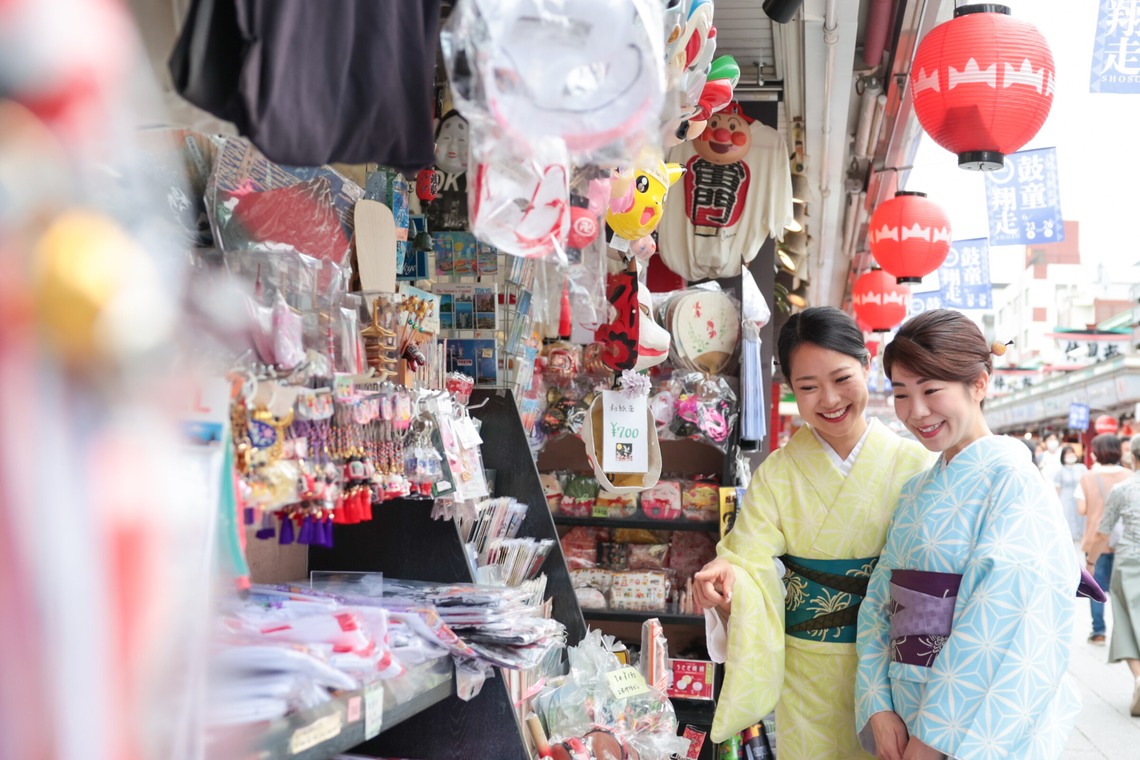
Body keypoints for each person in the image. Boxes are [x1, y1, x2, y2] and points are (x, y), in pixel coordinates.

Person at [692, 306, 931, 758]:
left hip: (897, 671)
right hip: (806, 672)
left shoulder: (916, 465)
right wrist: (726, 574)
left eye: (842, 379)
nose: (830, 399)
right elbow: (747, 556)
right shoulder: (778, 474)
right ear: (788, 390)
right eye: (808, 387)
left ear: (866, 365)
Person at [855, 310, 1080, 760]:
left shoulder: (1013, 481)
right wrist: (878, 706)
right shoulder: (917, 489)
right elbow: (879, 604)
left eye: (931, 390)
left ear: (979, 384)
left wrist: (933, 741)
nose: (916, 412)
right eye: (902, 393)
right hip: (904, 710)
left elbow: (1003, 624)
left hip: (966, 724)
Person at [1087, 433, 1140, 716]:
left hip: (1130, 559)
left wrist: (1091, 561)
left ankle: (1139, 678)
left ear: (1133, 457)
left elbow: (1103, 530)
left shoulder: (1123, 489)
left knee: (1126, 620)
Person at [1077, 433, 1129, 644]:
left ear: (1096, 453)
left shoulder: (1088, 477)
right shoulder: (1130, 475)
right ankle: (1124, 632)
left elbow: (1082, 509)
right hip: (1124, 540)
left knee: (1096, 587)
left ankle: (1098, 631)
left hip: (1095, 540)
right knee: (1122, 588)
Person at [1055, 443, 1088, 546]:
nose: (1070, 456)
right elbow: (1057, 489)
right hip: (1066, 499)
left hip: (1080, 498)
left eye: (1072, 453)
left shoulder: (1081, 467)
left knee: (1082, 519)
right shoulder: (1060, 471)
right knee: (1069, 521)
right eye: (1067, 454)